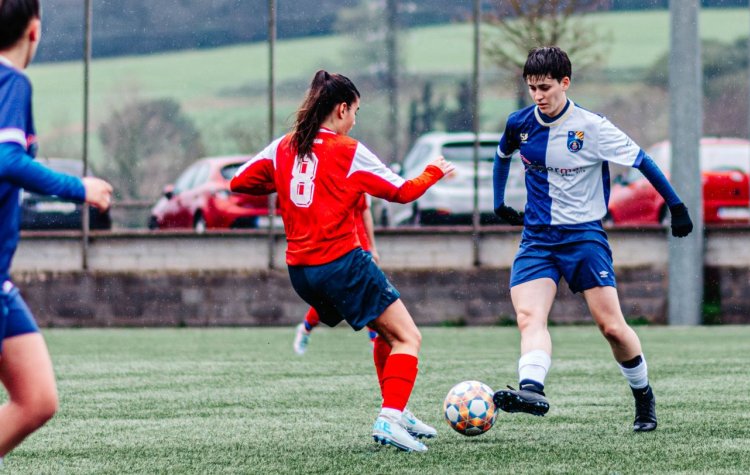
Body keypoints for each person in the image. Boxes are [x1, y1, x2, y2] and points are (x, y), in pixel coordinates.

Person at [230, 70, 454, 453]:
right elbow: (401, 192)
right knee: (408, 337)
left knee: (384, 332)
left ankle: (398, 410)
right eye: (355, 112)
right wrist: (434, 171)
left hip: (302, 274)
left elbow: (238, 181)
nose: (354, 121)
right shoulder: (347, 149)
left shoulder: (283, 146)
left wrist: (284, 181)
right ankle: (389, 419)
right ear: (342, 108)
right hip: (342, 263)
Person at [490, 46, 693, 432]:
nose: (538, 96)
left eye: (545, 87)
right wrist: (498, 202)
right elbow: (502, 156)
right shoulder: (519, 123)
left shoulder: (593, 127)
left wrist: (677, 206)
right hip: (537, 239)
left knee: (612, 327)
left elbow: (642, 160)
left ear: (565, 83)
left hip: (583, 237)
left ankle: (643, 394)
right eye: (532, 88)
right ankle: (531, 388)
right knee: (529, 317)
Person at [0, 0, 113, 466]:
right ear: (34, 30)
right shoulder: (10, 80)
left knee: (37, 399)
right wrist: (78, 188)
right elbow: (7, 159)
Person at [292, 194, 379, 355]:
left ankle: (374, 340)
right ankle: (306, 328)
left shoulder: (360, 182)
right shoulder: (329, 185)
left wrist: (372, 247)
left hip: (360, 247)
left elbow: (365, 212)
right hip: (337, 249)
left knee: (367, 293)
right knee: (332, 298)